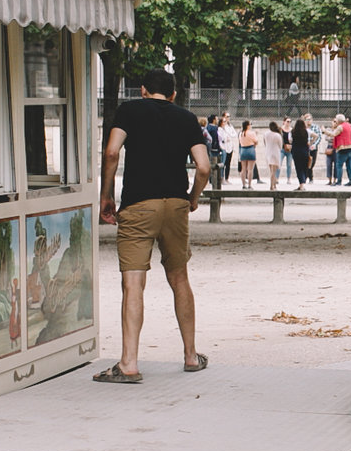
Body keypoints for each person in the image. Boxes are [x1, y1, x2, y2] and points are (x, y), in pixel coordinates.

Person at [94, 70, 210, 384]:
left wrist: (106, 196)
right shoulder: (187, 118)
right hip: (174, 204)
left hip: (137, 205)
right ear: (172, 94)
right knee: (179, 277)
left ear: (143, 90)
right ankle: (190, 356)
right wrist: (192, 199)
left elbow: (112, 152)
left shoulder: (128, 111)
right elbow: (203, 167)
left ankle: (129, 364)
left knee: (133, 283)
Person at [329, 114, 351, 185]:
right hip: (350, 147)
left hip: (343, 147)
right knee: (349, 165)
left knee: (339, 165)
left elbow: (333, 134)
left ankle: (339, 181)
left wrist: (324, 131)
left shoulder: (340, 127)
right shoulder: (349, 125)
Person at [257, 120, 284, 189]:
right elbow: (280, 146)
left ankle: (274, 185)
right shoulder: (277, 135)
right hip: (275, 153)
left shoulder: (266, 134)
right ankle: (272, 185)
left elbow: (264, 142)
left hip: (268, 152)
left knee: (271, 171)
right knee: (274, 171)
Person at [289, 114, 314, 187]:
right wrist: (310, 143)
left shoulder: (292, 131)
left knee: (298, 167)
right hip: (304, 150)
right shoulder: (307, 131)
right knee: (305, 166)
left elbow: (290, 140)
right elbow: (316, 136)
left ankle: (301, 183)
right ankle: (303, 181)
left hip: (296, 150)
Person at [235, 117, 258, 187]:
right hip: (251, 149)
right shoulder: (252, 133)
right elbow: (256, 141)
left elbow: (240, 141)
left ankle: (243, 184)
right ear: (248, 125)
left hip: (243, 150)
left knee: (243, 169)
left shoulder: (241, 133)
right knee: (250, 169)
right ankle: (250, 185)